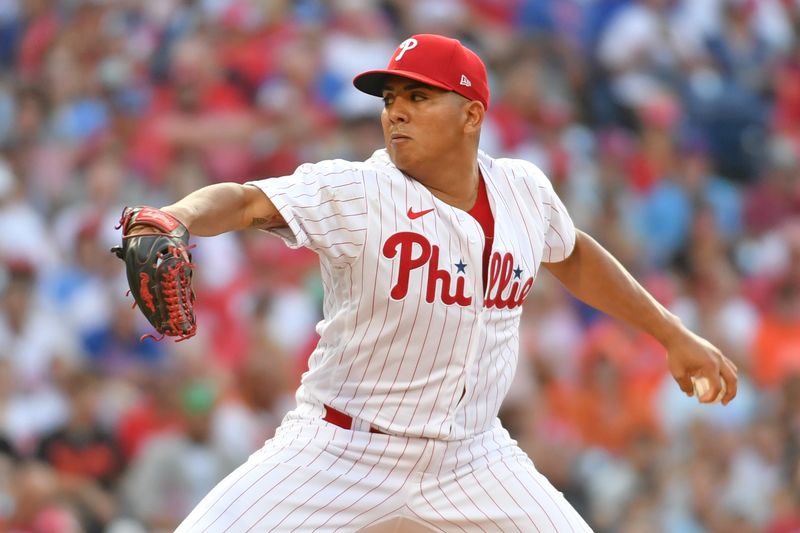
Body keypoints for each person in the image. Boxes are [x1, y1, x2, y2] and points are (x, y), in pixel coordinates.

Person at [124, 34, 738, 532]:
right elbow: (245, 201)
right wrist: (175, 218)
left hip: (472, 455)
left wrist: (671, 332)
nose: (395, 111)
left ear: (471, 114)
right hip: (340, 448)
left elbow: (573, 254)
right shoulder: (360, 191)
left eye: (419, 97)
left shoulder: (524, 190)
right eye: (390, 97)